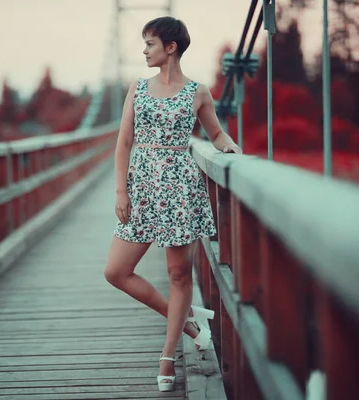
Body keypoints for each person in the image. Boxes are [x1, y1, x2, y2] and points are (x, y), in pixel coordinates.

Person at [103, 16, 242, 392]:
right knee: (116, 271)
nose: (144, 50)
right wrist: (121, 192)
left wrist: (227, 146)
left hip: (180, 187)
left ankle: (167, 356)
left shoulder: (198, 91)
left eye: (150, 43)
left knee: (180, 275)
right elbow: (123, 142)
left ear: (171, 47)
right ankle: (189, 323)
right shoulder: (138, 88)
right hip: (142, 186)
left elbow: (214, 132)